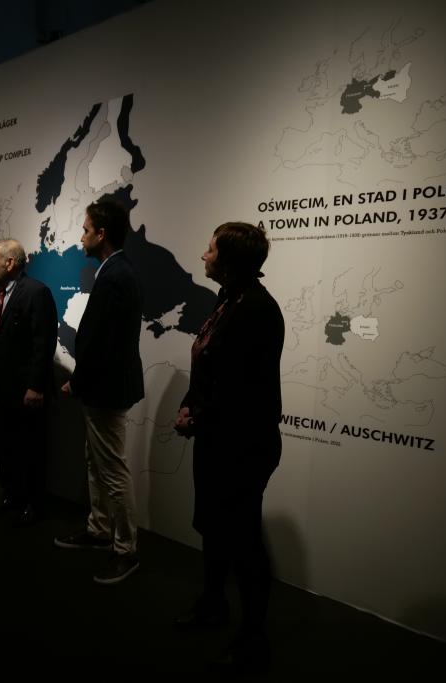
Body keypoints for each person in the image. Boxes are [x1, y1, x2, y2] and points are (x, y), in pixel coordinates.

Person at [173, 222, 284, 673]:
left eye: (211, 249)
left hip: (242, 445)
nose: (204, 255)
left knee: (243, 542)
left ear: (230, 260)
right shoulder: (230, 299)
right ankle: (213, 605)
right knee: (216, 530)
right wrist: (189, 406)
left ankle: (253, 640)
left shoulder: (256, 309)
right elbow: (209, 365)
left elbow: (241, 389)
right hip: (218, 438)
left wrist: (196, 417)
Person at [54, 200, 144, 585]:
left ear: (101, 234)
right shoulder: (115, 272)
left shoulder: (116, 276)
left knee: (112, 470)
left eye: (86, 229)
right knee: (97, 462)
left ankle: (125, 550)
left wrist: (78, 381)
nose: (82, 237)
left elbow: (105, 344)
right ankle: (99, 529)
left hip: (107, 389)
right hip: (104, 386)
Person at [0, 239, 57, 526]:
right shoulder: (0, 293)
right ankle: (11, 496)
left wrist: (35, 387)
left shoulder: (36, 293)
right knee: (5, 446)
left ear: (10, 263)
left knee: (31, 449)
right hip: (2, 389)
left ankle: (33, 504)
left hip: (26, 391)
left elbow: (43, 343)